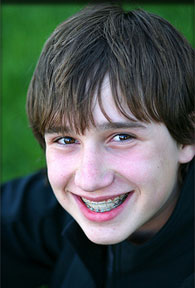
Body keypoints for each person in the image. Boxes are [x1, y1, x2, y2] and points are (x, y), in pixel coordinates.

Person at [1, 3, 194, 288]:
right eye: (66, 140)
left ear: (187, 136)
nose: (89, 180)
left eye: (122, 137)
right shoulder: (56, 211)